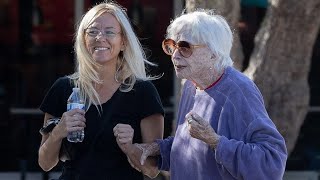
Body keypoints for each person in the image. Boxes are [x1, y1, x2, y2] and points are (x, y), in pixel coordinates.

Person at [121, 9, 288, 180]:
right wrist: (155, 148)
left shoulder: (239, 90)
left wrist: (215, 141)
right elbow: (191, 148)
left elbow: (272, 163)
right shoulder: (191, 85)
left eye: (185, 47)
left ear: (214, 53)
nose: (175, 55)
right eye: (172, 45)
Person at [38, 2, 164, 180]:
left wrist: (129, 147)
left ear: (123, 42)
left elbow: (152, 170)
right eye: (93, 31)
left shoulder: (143, 92)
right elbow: (45, 163)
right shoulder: (63, 88)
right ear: (83, 39)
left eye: (110, 32)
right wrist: (58, 132)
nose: (100, 37)